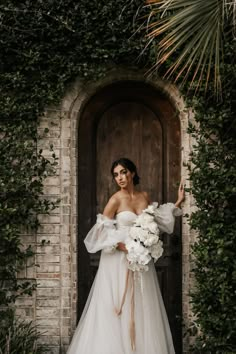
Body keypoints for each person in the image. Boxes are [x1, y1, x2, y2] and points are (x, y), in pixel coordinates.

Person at [67, 157, 185, 354]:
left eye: (123, 172)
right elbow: (99, 232)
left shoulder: (144, 196)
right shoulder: (115, 199)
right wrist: (123, 246)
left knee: (141, 304)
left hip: (140, 261)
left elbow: (157, 221)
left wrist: (178, 202)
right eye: (115, 175)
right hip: (118, 260)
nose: (120, 178)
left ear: (132, 172)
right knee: (116, 306)